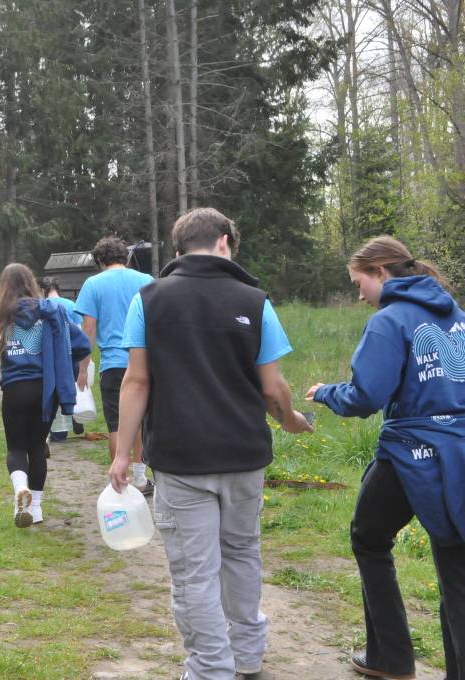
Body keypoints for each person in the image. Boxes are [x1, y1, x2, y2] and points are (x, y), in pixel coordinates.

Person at [108, 207, 312, 680]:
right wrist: (291, 421)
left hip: (181, 461)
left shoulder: (149, 299)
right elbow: (272, 389)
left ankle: (209, 668)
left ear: (178, 251)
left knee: (195, 573)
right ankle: (247, 655)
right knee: (242, 552)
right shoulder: (256, 300)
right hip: (244, 457)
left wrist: (124, 454)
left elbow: (136, 382)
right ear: (225, 241)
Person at [306, 235, 465, 680]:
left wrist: (325, 393)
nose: (359, 294)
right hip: (460, 451)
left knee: (369, 536)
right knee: (455, 560)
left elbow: (366, 396)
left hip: (411, 452)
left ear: (380, 272)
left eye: (359, 282)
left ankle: (391, 660)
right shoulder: (456, 316)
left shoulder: (389, 320)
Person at [0, 263, 91, 528]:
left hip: (15, 390)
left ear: (3, 287)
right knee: (37, 447)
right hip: (45, 390)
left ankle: (19, 492)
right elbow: (82, 345)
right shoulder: (52, 314)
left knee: (16, 448)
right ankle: (35, 509)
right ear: (32, 283)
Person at [75, 236, 156, 494]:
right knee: (142, 421)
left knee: (117, 425)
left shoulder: (93, 284)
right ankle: (141, 477)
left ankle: (118, 482)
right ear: (125, 257)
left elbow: (88, 330)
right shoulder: (146, 281)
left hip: (113, 363)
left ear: (99, 260)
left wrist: (82, 367)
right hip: (146, 362)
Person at [40, 276, 85, 441]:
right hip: (71, 356)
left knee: (53, 392)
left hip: (52, 356)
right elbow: (79, 333)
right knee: (68, 388)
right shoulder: (71, 305)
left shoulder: (43, 307)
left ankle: (59, 432)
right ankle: (75, 416)